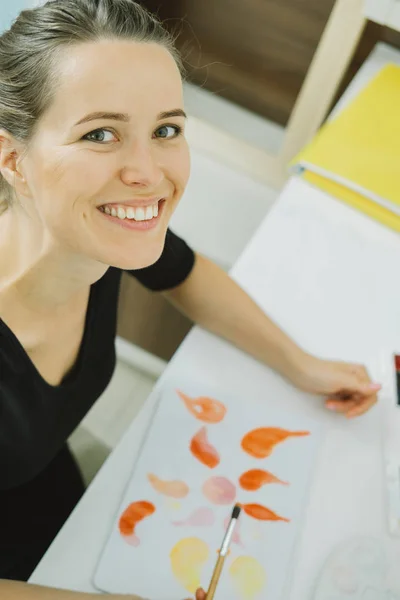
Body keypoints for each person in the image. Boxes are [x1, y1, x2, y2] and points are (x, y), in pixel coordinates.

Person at [0, 0, 381, 597]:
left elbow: (183, 272)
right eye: (101, 134)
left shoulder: (92, 237)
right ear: (13, 159)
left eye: (166, 130)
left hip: (49, 496)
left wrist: (297, 361)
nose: (148, 172)